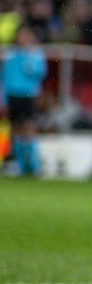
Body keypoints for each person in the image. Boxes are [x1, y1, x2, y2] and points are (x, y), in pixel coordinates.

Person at [2, 26, 48, 177]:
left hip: (28, 95)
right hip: (13, 94)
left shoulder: (35, 53)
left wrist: (28, 57)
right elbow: (4, 77)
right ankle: (19, 164)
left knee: (29, 127)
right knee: (15, 128)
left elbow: (39, 73)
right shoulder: (9, 53)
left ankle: (33, 165)